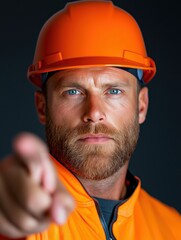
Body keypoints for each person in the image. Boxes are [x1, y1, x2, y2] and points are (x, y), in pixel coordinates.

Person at [0, 0, 180, 239]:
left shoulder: (172, 227)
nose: (94, 112)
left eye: (113, 91)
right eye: (73, 91)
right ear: (42, 107)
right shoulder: (24, 213)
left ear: (141, 106)